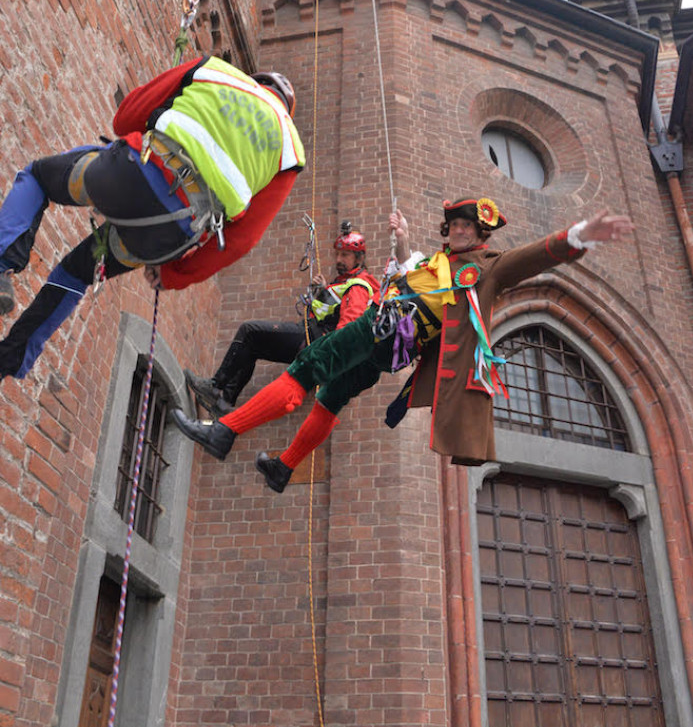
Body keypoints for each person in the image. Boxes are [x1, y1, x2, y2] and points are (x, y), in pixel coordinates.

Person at [170, 198, 634, 489]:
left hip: (383, 330)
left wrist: (578, 237)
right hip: (390, 351)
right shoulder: (435, 260)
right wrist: (404, 238)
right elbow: (409, 270)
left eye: (467, 225)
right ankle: (285, 467)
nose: (457, 228)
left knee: (308, 367)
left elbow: (531, 258)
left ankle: (224, 431)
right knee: (331, 397)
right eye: (453, 222)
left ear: (482, 233)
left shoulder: (486, 268)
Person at [0, 54, 304, 380]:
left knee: (37, 177)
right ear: (286, 109)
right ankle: (12, 358)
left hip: (130, 173)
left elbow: (125, 118)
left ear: (254, 80)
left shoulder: (215, 70)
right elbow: (241, 241)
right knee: (76, 274)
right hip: (168, 233)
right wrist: (173, 274)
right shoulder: (290, 150)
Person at [183, 222, 380, 417]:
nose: (338, 259)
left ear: (359, 258)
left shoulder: (358, 287)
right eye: (337, 254)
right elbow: (331, 312)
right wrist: (321, 292)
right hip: (312, 337)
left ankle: (215, 386)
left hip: (313, 341)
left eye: (344, 255)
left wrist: (331, 362)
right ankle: (224, 401)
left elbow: (349, 327)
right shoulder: (344, 283)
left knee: (249, 331)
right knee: (253, 345)